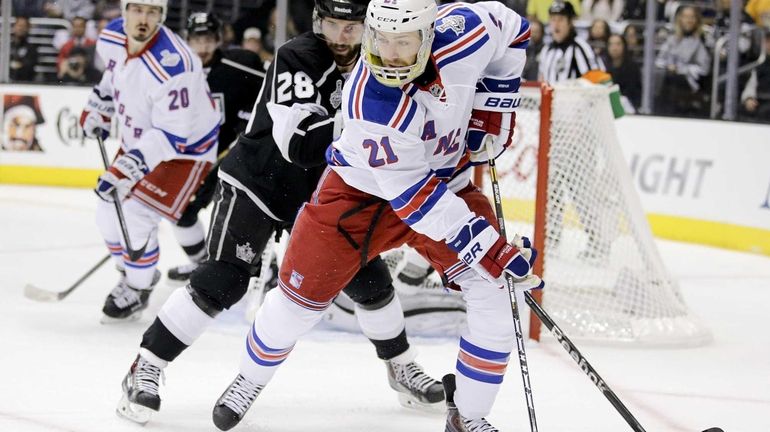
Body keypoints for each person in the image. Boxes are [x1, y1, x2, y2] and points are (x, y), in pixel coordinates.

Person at [212, 1, 544, 431]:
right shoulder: (371, 100)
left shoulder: (467, 31)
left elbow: (513, 30)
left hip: (444, 184)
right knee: (296, 308)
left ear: (428, 36)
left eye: (403, 42)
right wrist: (490, 246)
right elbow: (417, 201)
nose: (388, 54)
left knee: (494, 292)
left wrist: (492, 109)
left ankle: (468, 415)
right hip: (359, 196)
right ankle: (248, 379)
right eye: (380, 39)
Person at [115, 0, 445, 426]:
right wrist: (366, 120)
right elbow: (301, 145)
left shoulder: (380, 60)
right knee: (223, 279)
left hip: (320, 194)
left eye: (352, 28)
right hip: (259, 181)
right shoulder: (298, 55)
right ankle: (146, 367)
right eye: (332, 25)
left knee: (368, 277)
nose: (342, 37)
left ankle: (401, 367)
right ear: (316, 22)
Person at [79, 0, 220, 321]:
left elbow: (173, 135)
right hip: (140, 139)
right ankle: (133, 267)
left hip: (185, 151)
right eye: (137, 10)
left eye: (153, 12)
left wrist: (126, 168)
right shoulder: (112, 37)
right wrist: (100, 105)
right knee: (106, 210)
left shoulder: (176, 64)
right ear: (124, 10)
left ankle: (138, 286)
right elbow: (113, 75)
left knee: (134, 215)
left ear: (163, 16)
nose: (144, 19)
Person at [165, 12, 266, 283]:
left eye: (208, 39)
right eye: (197, 39)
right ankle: (202, 266)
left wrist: (245, 129)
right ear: (187, 40)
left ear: (218, 40)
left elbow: (266, 95)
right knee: (182, 211)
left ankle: (262, 268)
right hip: (194, 158)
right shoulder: (177, 71)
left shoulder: (241, 66)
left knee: (244, 216)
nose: (203, 46)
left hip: (236, 155)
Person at [654, 5, 711, 117]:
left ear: (697, 20)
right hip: (670, 76)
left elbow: (704, 69)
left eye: (692, 17)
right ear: (679, 19)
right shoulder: (672, 39)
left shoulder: (702, 40)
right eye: (685, 16)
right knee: (659, 76)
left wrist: (681, 69)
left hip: (691, 81)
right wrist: (669, 66)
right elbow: (659, 60)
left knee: (674, 80)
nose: (689, 20)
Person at [538, 1, 604, 83]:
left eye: (561, 20)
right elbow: (541, 80)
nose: (556, 25)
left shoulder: (581, 48)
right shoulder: (546, 50)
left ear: (570, 22)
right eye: (553, 19)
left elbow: (598, 82)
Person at [605, 34, 641, 109]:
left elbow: (632, 91)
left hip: (628, 104)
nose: (614, 48)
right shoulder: (603, 66)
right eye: (611, 44)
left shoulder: (632, 67)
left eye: (618, 44)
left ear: (624, 46)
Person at [740, 31, 770, 122]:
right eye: (768, 42)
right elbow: (751, 85)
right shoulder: (760, 65)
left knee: (764, 111)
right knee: (741, 109)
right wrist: (748, 98)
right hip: (761, 100)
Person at [10, 16, 38, 82]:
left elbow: (29, 66)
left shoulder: (32, 48)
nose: (21, 28)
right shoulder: (7, 47)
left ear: (28, 29)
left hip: (25, 84)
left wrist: (14, 65)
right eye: (19, 25)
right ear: (14, 27)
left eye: (24, 26)